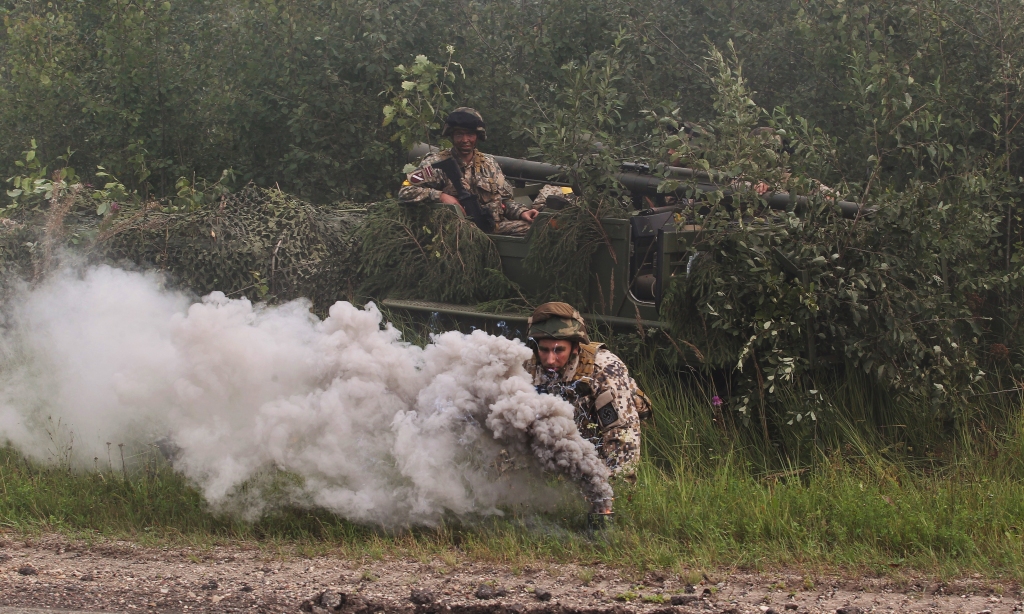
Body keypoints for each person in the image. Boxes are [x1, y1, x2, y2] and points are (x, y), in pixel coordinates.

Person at [523, 302, 649, 502]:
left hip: (598, 439)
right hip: (561, 441)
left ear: (575, 347)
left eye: (558, 350)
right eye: (544, 350)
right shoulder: (529, 365)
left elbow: (622, 436)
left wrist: (611, 494)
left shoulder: (603, 369)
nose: (550, 359)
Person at [398, 107, 539, 236]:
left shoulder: (489, 164)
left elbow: (505, 201)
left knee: (537, 228)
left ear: (478, 136)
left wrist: (523, 212)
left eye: (470, 134)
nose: (465, 140)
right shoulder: (437, 164)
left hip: (490, 228)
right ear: (452, 135)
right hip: (456, 234)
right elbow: (405, 191)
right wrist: (440, 196)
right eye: (459, 134)